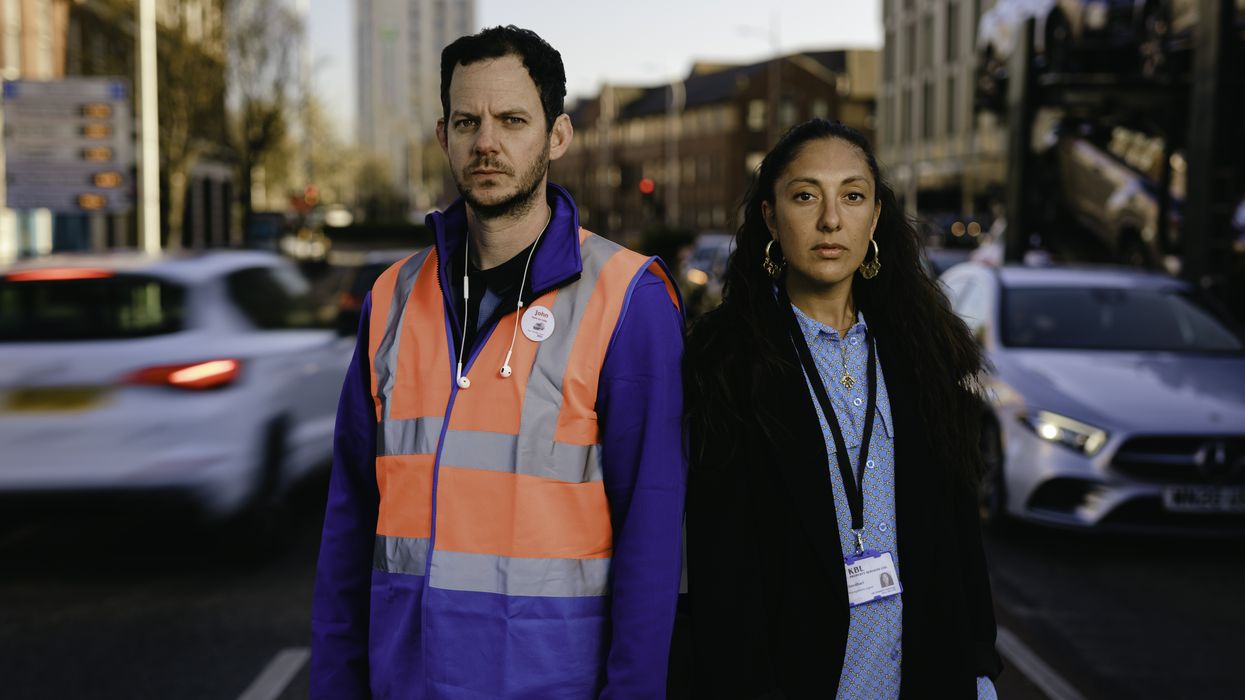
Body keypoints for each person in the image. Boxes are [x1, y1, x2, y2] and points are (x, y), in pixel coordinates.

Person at [311, 25, 686, 699]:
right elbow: (348, 523)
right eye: (467, 121)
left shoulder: (628, 300)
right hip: (406, 685)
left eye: (512, 120)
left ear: (557, 136)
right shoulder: (392, 298)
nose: (486, 142)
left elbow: (652, 535)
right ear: (443, 137)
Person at [685, 119, 1002, 698]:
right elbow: (720, 565)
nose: (831, 219)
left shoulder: (926, 350)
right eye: (806, 196)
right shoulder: (723, 358)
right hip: (791, 676)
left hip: (925, 674)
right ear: (770, 217)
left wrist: (980, 668)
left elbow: (959, 530)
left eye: (852, 196)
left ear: (875, 216)